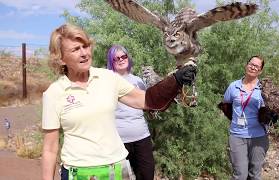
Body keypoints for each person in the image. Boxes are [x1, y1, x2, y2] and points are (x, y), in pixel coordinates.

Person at [41, 24, 196, 180]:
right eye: (75, 49)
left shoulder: (108, 78)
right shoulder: (54, 93)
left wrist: (175, 80)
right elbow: (50, 148)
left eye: (86, 46)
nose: (84, 53)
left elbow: (147, 101)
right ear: (61, 59)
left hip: (116, 170)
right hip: (78, 173)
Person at [106, 45, 155, 180]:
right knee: (121, 177)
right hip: (119, 141)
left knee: (147, 175)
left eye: (124, 56)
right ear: (111, 62)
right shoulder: (108, 81)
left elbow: (147, 104)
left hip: (142, 137)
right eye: (116, 58)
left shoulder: (138, 80)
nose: (121, 60)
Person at [222, 56, 268, 180]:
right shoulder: (233, 86)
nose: (253, 67)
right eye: (251, 64)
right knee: (240, 175)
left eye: (257, 66)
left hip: (258, 136)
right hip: (237, 135)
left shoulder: (265, 89)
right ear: (246, 65)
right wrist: (235, 121)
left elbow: (272, 109)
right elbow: (225, 106)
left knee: (255, 175)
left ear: (260, 71)